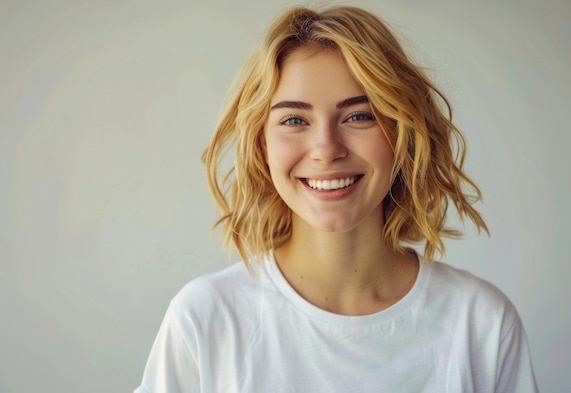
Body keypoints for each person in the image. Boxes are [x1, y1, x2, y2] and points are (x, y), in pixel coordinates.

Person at [135, 5, 538, 393]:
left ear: (402, 134)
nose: (326, 149)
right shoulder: (204, 320)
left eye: (358, 116)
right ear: (262, 146)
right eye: (294, 120)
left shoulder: (481, 324)